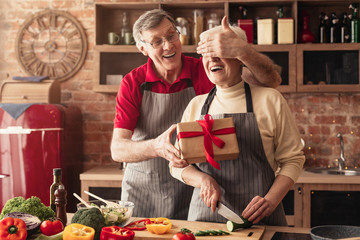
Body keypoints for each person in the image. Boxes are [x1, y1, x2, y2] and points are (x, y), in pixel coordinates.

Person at [110, 9, 282, 219]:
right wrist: (157, 146)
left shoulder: (205, 69)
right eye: (156, 41)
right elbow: (118, 150)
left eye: (172, 35)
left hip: (193, 190)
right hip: (143, 192)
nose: (168, 45)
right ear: (143, 48)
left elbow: (270, 81)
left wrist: (243, 52)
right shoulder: (133, 82)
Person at [170, 25, 305, 225]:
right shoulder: (196, 106)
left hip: (262, 220)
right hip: (206, 222)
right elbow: (177, 165)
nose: (212, 59)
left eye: (219, 52)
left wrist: (271, 200)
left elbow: (293, 160)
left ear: (240, 57)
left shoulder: (271, 100)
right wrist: (203, 180)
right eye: (207, 54)